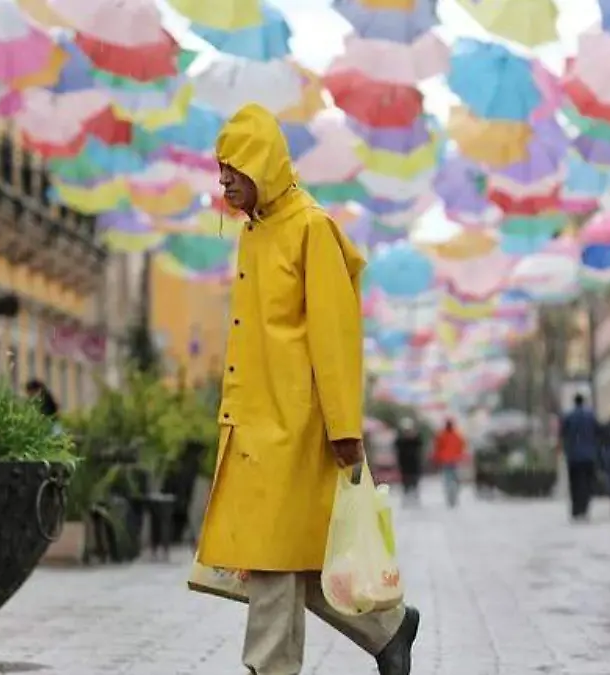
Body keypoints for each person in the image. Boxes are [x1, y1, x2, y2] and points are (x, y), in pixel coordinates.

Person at [196, 104, 418, 675]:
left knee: (271, 558)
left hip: (296, 428)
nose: (222, 180)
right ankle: (389, 630)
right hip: (255, 424)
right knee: (290, 557)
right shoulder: (255, 233)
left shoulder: (311, 228)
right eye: (220, 167)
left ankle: (269, 668)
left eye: (232, 168)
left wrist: (345, 428)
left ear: (263, 164)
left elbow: (335, 336)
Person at [559, 393, 600, 521]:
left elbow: (562, 433)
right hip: (589, 455)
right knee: (587, 483)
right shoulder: (590, 416)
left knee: (574, 483)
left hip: (573, 456)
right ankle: (585, 508)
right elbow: (598, 432)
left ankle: (576, 509)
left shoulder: (568, 416)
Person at [432, 418, 467, 508]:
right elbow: (461, 447)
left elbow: (437, 448)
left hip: (449, 461)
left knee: (450, 479)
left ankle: (451, 495)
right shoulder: (453, 435)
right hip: (451, 461)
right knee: (453, 479)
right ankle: (452, 496)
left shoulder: (443, 435)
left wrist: (437, 459)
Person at [393, 417, 424, 507]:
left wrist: (415, 436)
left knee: (415, 481)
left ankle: (414, 496)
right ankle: (406, 497)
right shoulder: (400, 440)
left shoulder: (416, 439)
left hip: (414, 464)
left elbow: (420, 444)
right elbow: (397, 447)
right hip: (404, 465)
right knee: (405, 482)